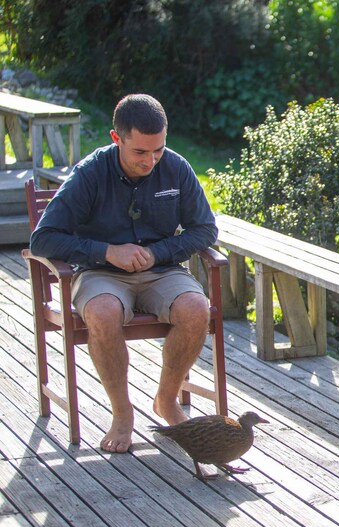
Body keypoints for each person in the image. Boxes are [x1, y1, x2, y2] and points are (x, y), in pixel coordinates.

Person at [30, 94, 217, 454]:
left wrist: (157, 252)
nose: (151, 161)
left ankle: (166, 400)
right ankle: (121, 412)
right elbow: (43, 239)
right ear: (117, 139)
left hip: (161, 270)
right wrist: (107, 251)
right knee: (102, 313)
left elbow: (205, 230)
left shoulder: (177, 167)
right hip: (100, 273)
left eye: (158, 150)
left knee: (196, 308)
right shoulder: (89, 173)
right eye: (140, 153)